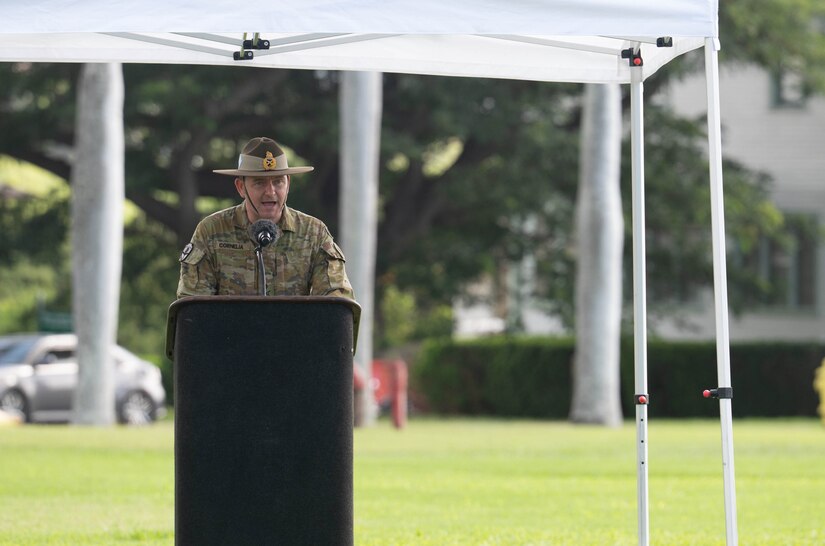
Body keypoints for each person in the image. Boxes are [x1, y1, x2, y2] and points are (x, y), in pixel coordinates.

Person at [177, 136, 354, 300]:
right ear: (241, 187)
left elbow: (337, 305)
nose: (270, 192)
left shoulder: (313, 233)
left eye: (278, 182)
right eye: (259, 182)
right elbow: (193, 308)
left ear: (288, 184)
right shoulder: (211, 231)